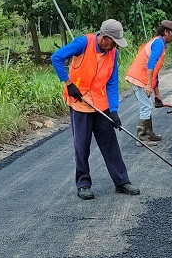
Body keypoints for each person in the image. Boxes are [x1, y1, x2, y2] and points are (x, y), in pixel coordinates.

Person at [51, 19, 140, 200]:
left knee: (110, 145)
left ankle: (121, 181)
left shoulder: (112, 53)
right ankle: (83, 184)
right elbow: (56, 58)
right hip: (80, 102)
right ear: (104, 37)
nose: (114, 46)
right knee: (81, 146)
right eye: (113, 42)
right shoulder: (83, 43)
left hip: (100, 104)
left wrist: (113, 110)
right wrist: (68, 84)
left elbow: (113, 82)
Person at [125, 19, 172, 145]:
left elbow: (155, 73)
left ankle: (149, 133)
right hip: (139, 78)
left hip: (142, 78)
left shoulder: (159, 43)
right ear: (166, 32)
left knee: (147, 104)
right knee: (146, 105)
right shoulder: (159, 43)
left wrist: (157, 94)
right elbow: (150, 64)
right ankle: (142, 137)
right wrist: (149, 85)